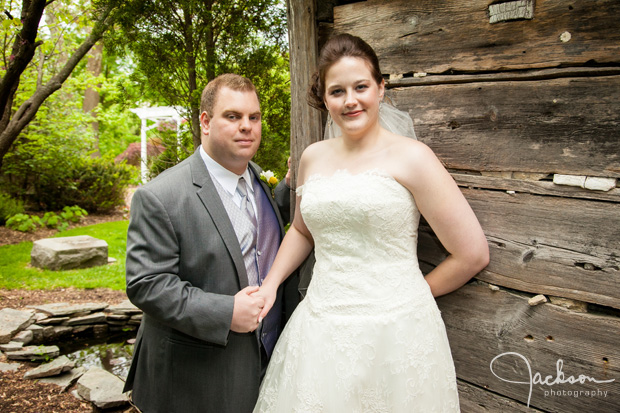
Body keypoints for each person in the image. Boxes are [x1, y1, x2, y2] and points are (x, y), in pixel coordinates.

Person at [252, 33, 490, 412]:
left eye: (361, 86)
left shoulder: (414, 159)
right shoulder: (312, 157)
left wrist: (409, 297)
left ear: (380, 88)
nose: (350, 100)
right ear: (324, 99)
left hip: (396, 332)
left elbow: (472, 254)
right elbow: (301, 230)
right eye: (337, 91)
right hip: (320, 329)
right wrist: (269, 285)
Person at [123, 73, 298, 413]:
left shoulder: (259, 179)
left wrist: (287, 191)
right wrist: (226, 312)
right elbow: (147, 284)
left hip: (269, 363)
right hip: (195, 379)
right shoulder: (160, 197)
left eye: (254, 117)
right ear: (205, 121)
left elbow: (255, 230)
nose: (246, 126)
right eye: (233, 116)